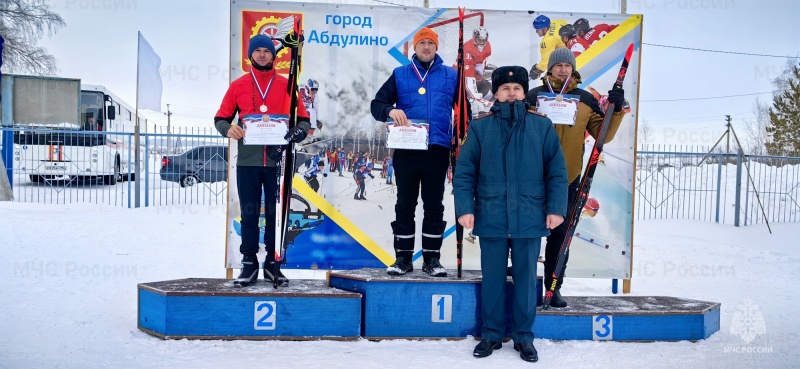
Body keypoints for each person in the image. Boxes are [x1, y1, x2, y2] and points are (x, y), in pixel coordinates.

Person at [454, 66, 567, 363]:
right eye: (506, 88)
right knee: (492, 278)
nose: (512, 92)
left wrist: (556, 209)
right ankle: (491, 335)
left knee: (526, 279)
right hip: (490, 213)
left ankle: (524, 337)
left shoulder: (542, 126)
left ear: (524, 92)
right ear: (497, 92)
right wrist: (465, 208)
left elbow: (556, 172)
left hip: (530, 215)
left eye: (517, 88)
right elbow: (465, 173)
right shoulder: (480, 127)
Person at [525, 47, 627, 307]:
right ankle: (526, 288)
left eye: (567, 66)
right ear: (550, 68)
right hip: (532, 178)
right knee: (527, 234)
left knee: (560, 237)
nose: (562, 69)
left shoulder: (584, 98)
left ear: (573, 68)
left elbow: (603, 134)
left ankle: (554, 288)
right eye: (558, 65)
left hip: (568, 180)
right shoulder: (534, 96)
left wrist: (614, 110)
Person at [213, 34, 311, 287]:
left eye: (266, 51)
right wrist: (228, 129)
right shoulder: (239, 85)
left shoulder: (289, 85)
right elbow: (221, 118)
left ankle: (272, 263)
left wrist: (299, 131)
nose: (262, 54)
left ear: (274, 55)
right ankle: (248, 263)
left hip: (280, 162)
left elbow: (303, 120)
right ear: (250, 55)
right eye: (257, 50)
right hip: (248, 161)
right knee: (249, 213)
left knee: (277, 215)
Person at [370, 27, 460, 277]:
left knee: (434, 205)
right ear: (414, 48)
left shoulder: (451, 76)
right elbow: (377, 105)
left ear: (437, 47)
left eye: (431, 43)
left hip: (437, 149)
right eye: (422, 43)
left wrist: (463, 139)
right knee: (405, 205)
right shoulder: (400, 75)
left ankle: (432, 259)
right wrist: (390, 110)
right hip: (407, 150)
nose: (427, 47)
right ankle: (403, 258)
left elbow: (463, 113)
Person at [530, 15, 566, 80]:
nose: (536, 32)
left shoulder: (547, 41)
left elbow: (546, 61)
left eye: (538, 29)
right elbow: (564, 22)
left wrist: (537, 69)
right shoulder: (555, 22)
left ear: (545, 28)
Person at [464, 26, 492, 96]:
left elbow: (483, 60)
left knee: (494, 90)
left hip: (477, 76)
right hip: (463, 78)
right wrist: (474, 95)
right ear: (474, 38)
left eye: (483, 40)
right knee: (488, 95)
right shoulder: (468, 49)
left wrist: (482, 69)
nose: (481, 43)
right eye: (479, 40)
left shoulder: (487, 45)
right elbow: (468, 76)